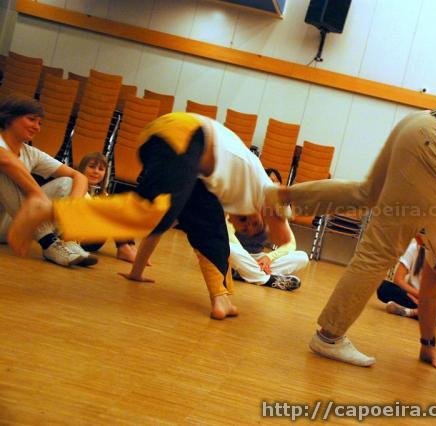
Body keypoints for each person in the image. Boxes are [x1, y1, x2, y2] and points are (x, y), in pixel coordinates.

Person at [267, 109, 436, 404]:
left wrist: (428, 345)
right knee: (380, 250)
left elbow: (429, 294)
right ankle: (329, 337)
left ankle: (281, 198)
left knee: (366, 192)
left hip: (422, 125)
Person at [7, 112, 291, 320]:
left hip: (177, 144)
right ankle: (46, 209)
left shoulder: (229, 194)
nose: (247, 220)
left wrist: (136, 272)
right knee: (149, 211)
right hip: (186, 135)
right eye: (254, 221)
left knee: (204, 228)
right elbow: (282, 233)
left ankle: (222, 300)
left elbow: (159, 229)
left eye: (245, 225)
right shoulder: (262, 190)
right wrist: (275, 222)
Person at [0, 94, 96, 267]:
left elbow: (79, 176)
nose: (37, 127)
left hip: (12, 225)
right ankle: (48, 242)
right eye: (31, 120)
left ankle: (65, 241)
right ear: (9, 118)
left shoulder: (30, 152)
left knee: (68, 183)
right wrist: (38, 197)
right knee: (6, 173)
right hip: (12, 222)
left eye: (40, 123)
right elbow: (7, 161)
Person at [228, 167, 306, 290]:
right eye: (267, 179)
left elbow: (290, 244)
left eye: (274, 181)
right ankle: (267, 279)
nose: (270, 183)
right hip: (240, 256)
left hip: (257, 259)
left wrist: (268, 258)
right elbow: (229, 236)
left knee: (302, 257)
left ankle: (244, 273)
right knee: (230, 249)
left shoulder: (276, 210)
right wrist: (248, 260)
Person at [376, 235, 436, 326]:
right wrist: (421, 296)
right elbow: (398, 279)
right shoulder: (414, 249)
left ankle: (413, 312)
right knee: (383, 287)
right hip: (413, 295)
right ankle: (430, 315)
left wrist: (433, 297)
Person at [76, 152, 139, 262]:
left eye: (101, 169)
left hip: (94, 241)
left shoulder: (103, 194)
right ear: (82, 168)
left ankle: (129, 245)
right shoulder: (74, 187)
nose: (96, 171)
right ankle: (123, 247)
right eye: (91, 167)